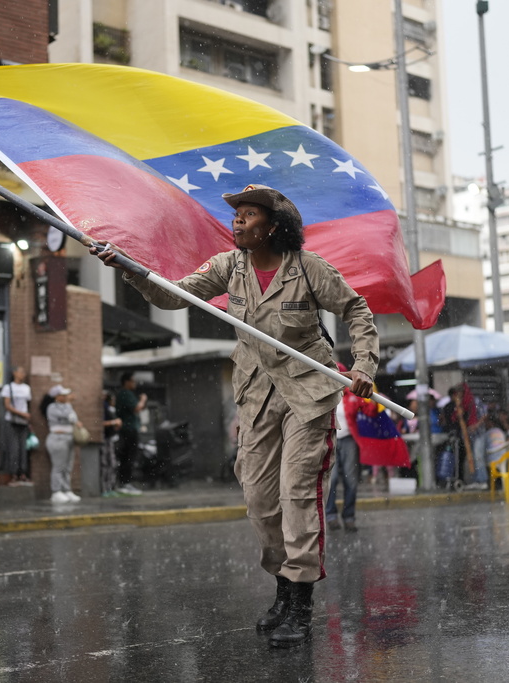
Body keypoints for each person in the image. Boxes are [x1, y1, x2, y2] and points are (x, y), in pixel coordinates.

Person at [93, 183, 378, 649]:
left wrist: (364, 365)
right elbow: (172, 296)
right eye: (237, 215)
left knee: (298, 493)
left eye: (248, 214)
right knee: (262, 502)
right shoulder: (229, 267)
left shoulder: (309, 270)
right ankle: (283, 588)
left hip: (307, 393)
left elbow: (356, 310)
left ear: (275, 226)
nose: (238, 221)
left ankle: (301, 605)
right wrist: (129, 269)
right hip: (257, 393)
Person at [325, 364, 360, 532]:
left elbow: (367, 412)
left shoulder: (351, 394)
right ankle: (331, 516)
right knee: (331, 480)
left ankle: (349, 517)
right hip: (329, 440)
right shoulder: (323, 394)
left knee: (351, 481)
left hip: (348, 440)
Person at [46, 387, 82, 504]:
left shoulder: (68, 405)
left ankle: (66, 490)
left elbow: (74, 418)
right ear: (57, 396)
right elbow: (67, 416)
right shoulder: (52, 407)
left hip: (69, 438)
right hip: (57, 439)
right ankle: (56, 491)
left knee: (68, 467)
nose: (66, 397)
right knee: (58, 466)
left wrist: (69, 405)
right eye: (63, 395)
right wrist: (69, 404)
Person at [114, 372, 147, 496]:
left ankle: (125, 482)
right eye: (133, 381)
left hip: (128, 429)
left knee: (128, 456)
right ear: (126, 382)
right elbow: (137, 408)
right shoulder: (125, 393)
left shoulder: (125, 394)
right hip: (128, 429)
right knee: (129, 456)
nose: (135, 384)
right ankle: (124, 483)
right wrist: (143, 400)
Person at [1, 366, 33, 486]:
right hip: (12, 421)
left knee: (23, 448)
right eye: (21, 372)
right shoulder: (8, 387)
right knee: (14, 448)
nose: (23, 374)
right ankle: (14, 474)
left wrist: (28, 418)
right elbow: (7, 405)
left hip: (24, 422)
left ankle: (23, 474)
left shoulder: (26, 388)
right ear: (14, 373)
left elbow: (28, 404)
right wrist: (22, 414)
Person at [100, 390, 122, 497]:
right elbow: (100, 422)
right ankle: (105, 489)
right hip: (104, 439)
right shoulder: (102, 407)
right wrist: (114, 422)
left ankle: (110, 487)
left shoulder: (109, 408)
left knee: (112, 464)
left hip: (110, 438)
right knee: (105, 464)